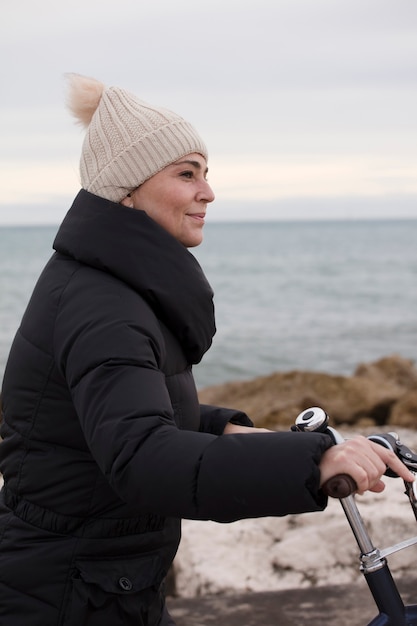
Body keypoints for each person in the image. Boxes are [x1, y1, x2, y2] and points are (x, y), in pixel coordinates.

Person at [0, 74, 412, 626]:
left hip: (104, 580)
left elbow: (125, 412)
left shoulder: (114, 284)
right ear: (128, 189)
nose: (208, 192)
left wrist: (230, 430)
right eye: (186, 174)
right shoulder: (102, 304)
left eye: (205, 174)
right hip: (66, 594)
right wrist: (312, 462)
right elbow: (142, 459)